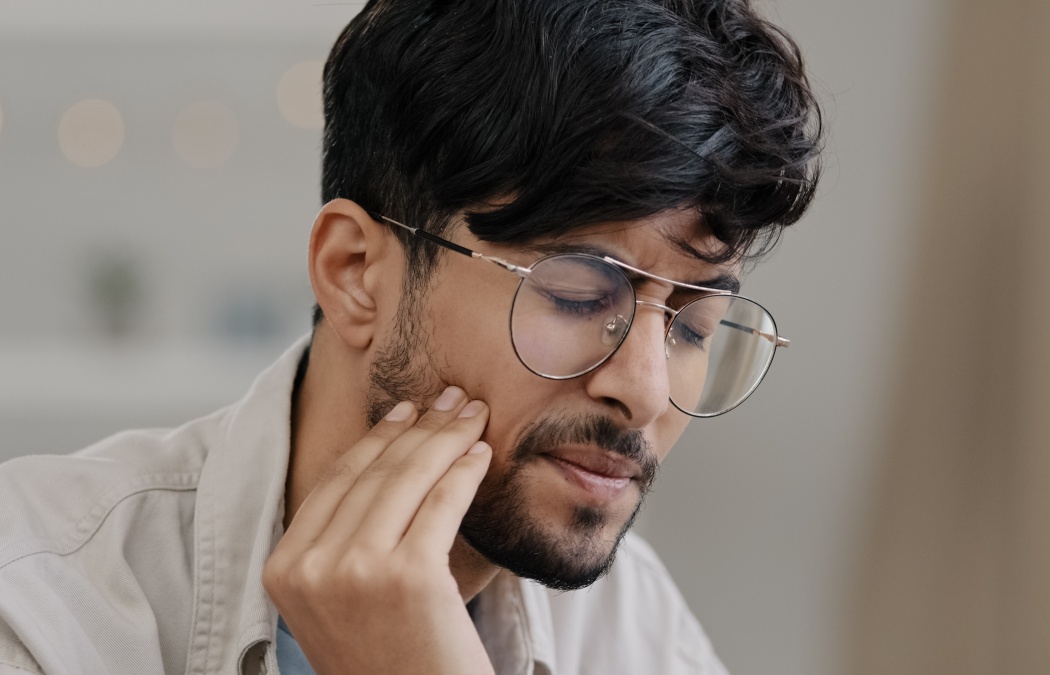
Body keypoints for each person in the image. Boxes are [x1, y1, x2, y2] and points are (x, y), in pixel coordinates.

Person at [0, 0, 821, 672]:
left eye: (691, 324)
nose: (643, 387)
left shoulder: (633, 632)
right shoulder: (38, 595)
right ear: (357, 270)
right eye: (577, 295)